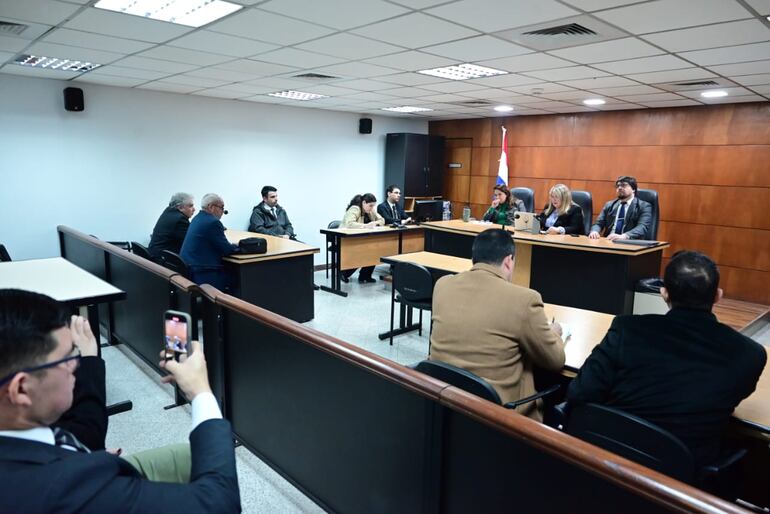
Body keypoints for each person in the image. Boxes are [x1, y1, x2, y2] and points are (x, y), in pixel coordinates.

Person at [0, 289, 240, 513]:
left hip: (81, 459)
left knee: (189, 456)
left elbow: (80, 434)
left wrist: (82, 451)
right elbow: (219, 502)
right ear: (21, 389)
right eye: (67, 358)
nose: (75, 365)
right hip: (93, 478)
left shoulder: (17, 426)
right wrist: (200, 392)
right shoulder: (62, 489)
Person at [567, 251, 766, 467]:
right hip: (677, 477)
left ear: (664, 293)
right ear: (718, 295)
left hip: (606, 461)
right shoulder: (750, 355)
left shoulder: (628, 329)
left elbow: (579, 393)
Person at [429, 228, 566, 422]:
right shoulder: (524, 299)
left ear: (474, 258)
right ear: (509, 261)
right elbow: (555, 360)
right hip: (497, 417)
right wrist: (555, 332)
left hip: (444, 403)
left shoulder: (443, 285)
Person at [180, 193, 239, 291]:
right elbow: (227, 250)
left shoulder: (197, 218)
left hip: (190, 268)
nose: (223, 211)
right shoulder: (213, 222)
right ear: (211, 207)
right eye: (221, 207)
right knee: (239, 277)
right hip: (203, 271)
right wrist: (239, 246)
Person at [589, 176, 652, 240]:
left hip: (629, 242)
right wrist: (594, 231)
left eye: (624, 185)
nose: (619, 188)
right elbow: (598, 223)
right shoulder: (609, 205)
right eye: (618, 186)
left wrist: (624, 236)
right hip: (609, 240)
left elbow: (642, 227)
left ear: (633, 189)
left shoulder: (644, 206)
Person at [340, 193, 385, 284]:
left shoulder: (371, 210)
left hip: (360, 238)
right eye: (370, 205)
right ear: (364, 203)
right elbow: (349, 223)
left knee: (375, 250)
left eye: (373, 206)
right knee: (362, 252)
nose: (372, 208)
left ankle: (365, 276)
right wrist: (365, 226)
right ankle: (344, 273)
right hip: (346, 239)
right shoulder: (355, 208)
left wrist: (375, 223)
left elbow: (382, 220)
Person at [148, 192, 195, 262]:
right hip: (164, 260)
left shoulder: (168, 212)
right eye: (190, 206)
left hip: (154, 254)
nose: (194, 209)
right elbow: (190, 243)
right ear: (180, 207)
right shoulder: (181, 220)